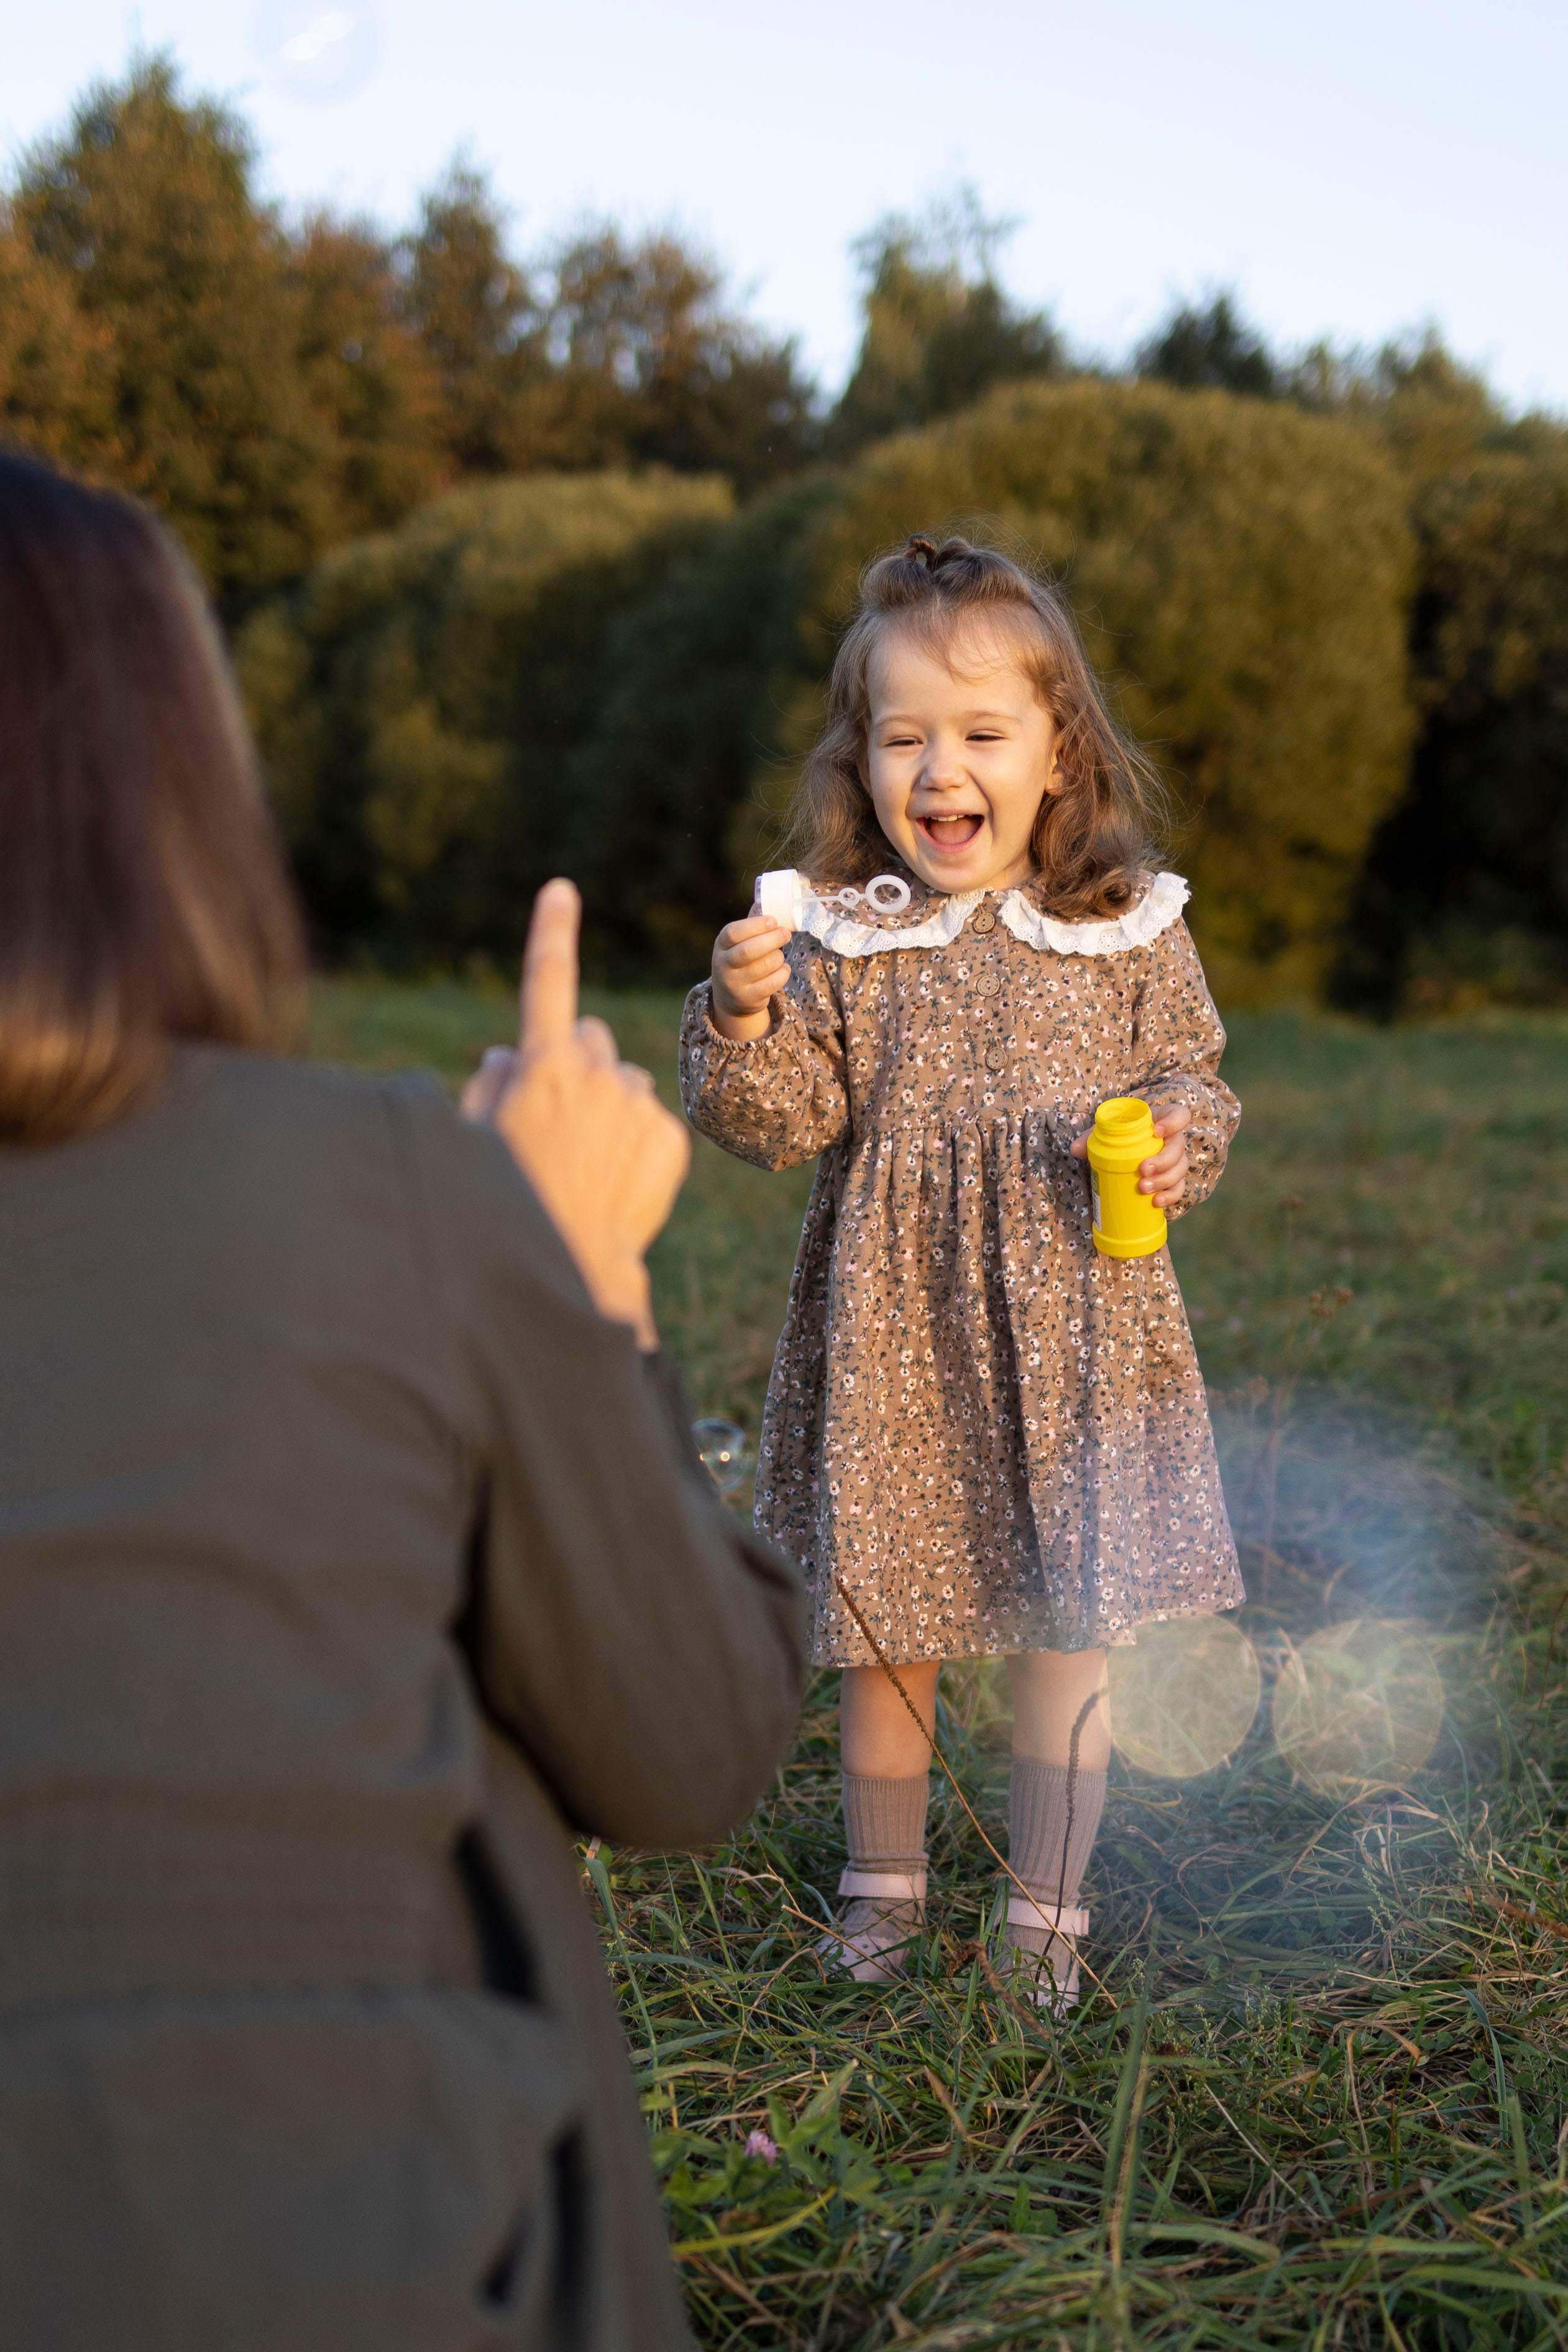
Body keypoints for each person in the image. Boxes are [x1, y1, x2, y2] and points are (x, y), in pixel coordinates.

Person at [0, 449, 805, 2351]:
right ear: (174, 798)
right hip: (369, 2245)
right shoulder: (387, 1184)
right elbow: (685, 1750)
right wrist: (575, 1273)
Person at [679, 533, 1242, 2008]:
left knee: (1070, 1619)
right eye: (902, 736)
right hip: (898, 1336)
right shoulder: (842, 937)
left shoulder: (1122, 925)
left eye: (982, 733)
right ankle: (882, 1890)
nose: (940, 768)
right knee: (892, 1621)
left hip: (1077, 1330)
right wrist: (741, 1019)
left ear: (1059, 756)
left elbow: (1189, 1072)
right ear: (859, 760)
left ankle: (1044, 1909)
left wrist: (1176, 1140)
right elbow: (780, 1120)